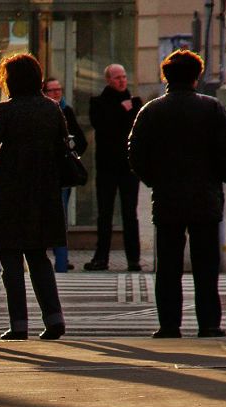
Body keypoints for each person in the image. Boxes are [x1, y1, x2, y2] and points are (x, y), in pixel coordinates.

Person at [128, 49, 226, 339]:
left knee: (168, 266)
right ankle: (209, 323)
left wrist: (154, 180)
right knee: (206, 265)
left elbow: (135, 153)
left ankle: (169, 324)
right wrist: (221, 177)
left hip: (167, 198)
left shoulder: (151, 110)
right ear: (196, 76)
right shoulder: (212, 108)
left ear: (166, 76)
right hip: (205, 197)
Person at [0, 53, 67, 341]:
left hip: (9, 191)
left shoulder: (6, 110)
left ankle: (19, 324)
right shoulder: (52, 109)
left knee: (10, 258)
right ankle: (54, 319)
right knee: (39, 256)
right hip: (43, 191)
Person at [86, 63, 142, 272]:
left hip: (129, 167)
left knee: (130, 214)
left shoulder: (135, 102)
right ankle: (101, 258)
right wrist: (122, 110)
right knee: (105, 214)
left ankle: (133, 259)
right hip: (107, 166)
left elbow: (135, 126)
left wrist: (126, 112)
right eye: (117, 77)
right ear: (108, 80)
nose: (122, 81)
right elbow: (104, 126)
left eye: (124, 77)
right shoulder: (99, 103)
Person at [43, 76, 87, 273]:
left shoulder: (65, 111)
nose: (56, 93)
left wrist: (69, 148)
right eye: (52, 90)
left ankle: (61, 263)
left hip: (60, 175)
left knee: (60, 219)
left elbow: (81, 141)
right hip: (44, 174)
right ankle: (44, 261)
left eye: (58, 89)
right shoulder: (43, 110)